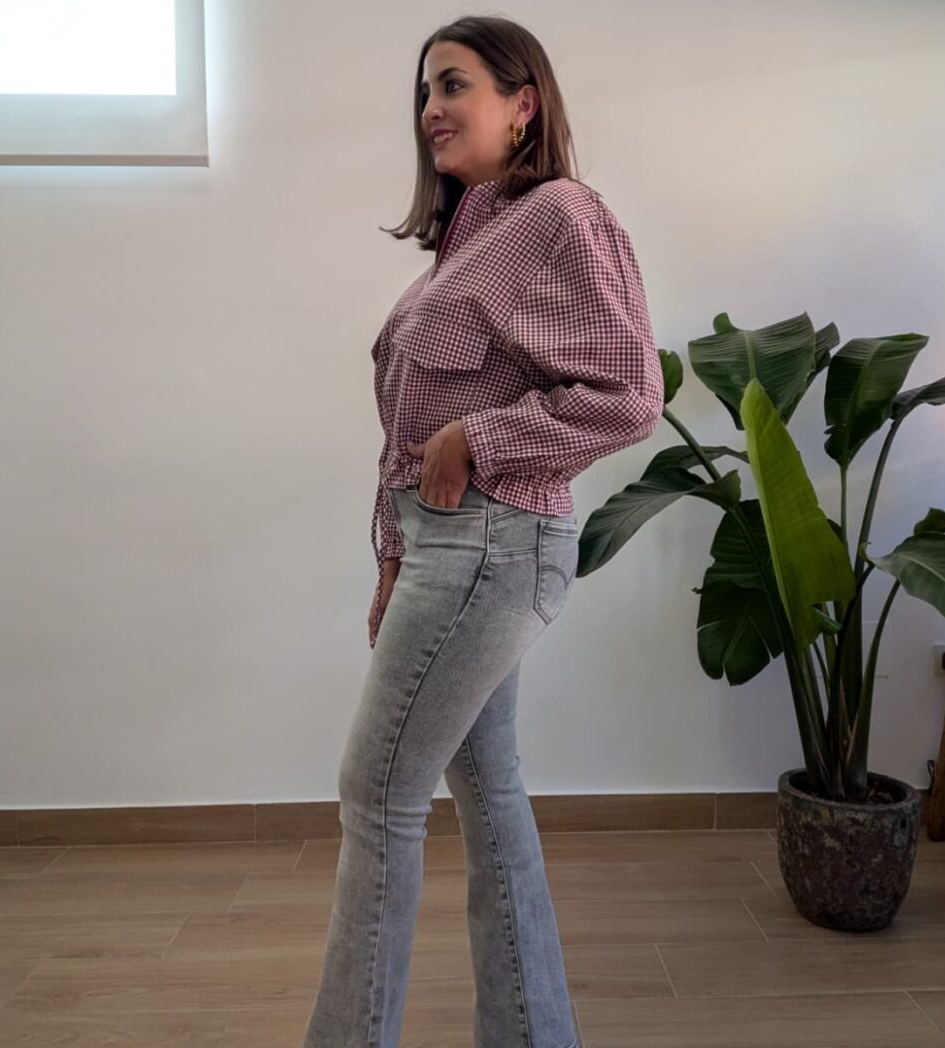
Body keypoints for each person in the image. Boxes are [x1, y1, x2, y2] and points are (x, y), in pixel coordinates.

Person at [302, 15, 663, 1048]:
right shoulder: (468, 241)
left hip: (493, 547)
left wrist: (481, 435)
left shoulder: (559, 215)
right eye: (425, 91)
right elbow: (408, 439)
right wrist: (393, 559)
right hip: (452, 550)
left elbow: (631, 395)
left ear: (523, 103)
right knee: (487, 788)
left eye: (454, 84)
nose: (430, 109)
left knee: (377, 792)